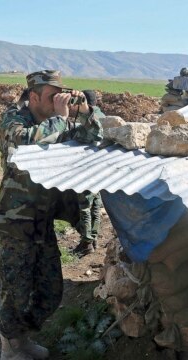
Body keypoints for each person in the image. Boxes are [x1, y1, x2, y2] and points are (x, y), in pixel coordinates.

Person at [0, 70, 104, 360]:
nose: (59, 100)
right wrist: (59, 117)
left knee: (50, 290)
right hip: (16, 221)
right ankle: (10, 347)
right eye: (52, 96)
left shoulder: (59, 123)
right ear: (33, 97)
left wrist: (84, 112)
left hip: (43, 221)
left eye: (62, 94)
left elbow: (95, 137)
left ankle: (22, 338)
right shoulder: (15, 120)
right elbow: (22, 143)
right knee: (16, 291)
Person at [71, 90, 103, 257]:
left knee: (85, 206)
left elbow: (84, 138)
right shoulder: (102, 115)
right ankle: (94, 237)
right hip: (99, 168)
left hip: (87, 168)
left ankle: (86, 242)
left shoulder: (89, 119)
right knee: (96, 204)